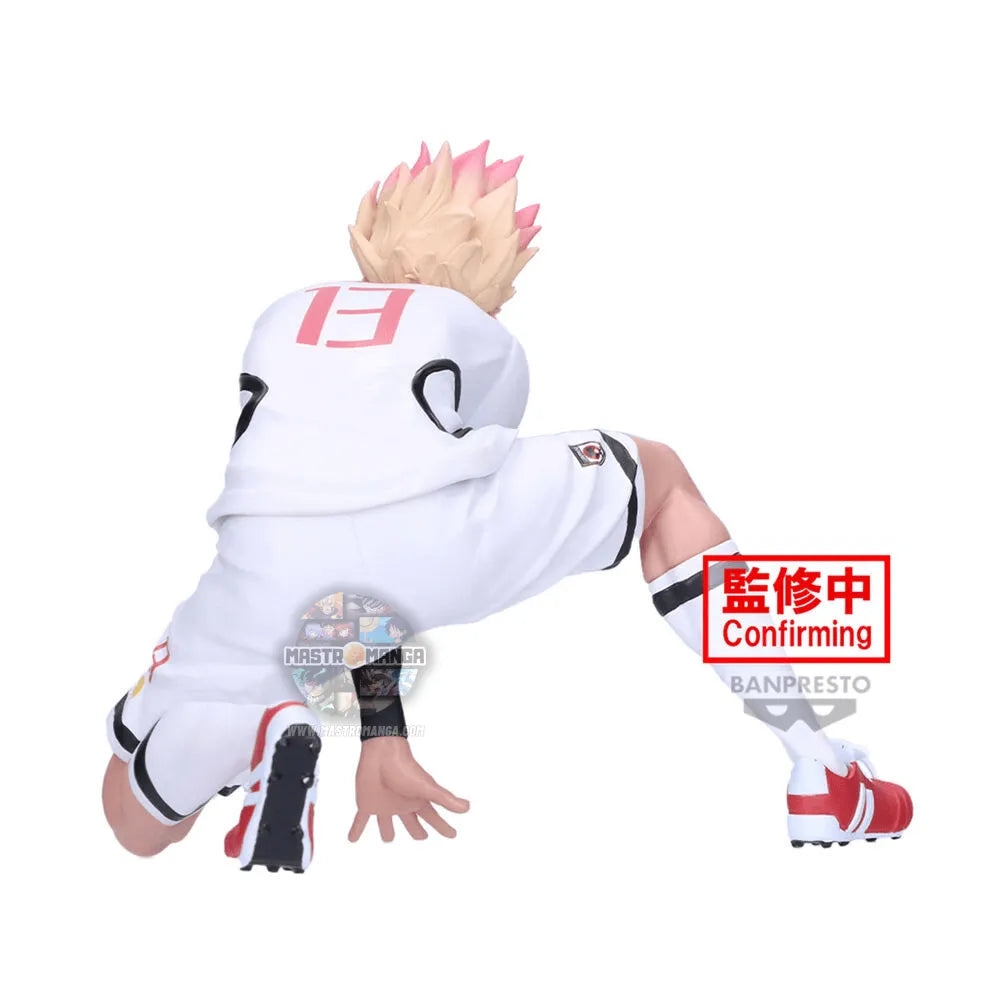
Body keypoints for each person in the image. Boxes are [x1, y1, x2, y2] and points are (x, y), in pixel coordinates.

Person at [102, 141, 911, 872]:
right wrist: (379, 728)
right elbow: (401, 530)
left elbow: (347, 558)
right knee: (659, 478)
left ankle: (234, 735)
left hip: (260, 570)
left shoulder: (280, 317)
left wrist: (384, 731)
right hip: (434, 547)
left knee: (132, 820)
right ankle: (817, 763)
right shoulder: (471, 328)